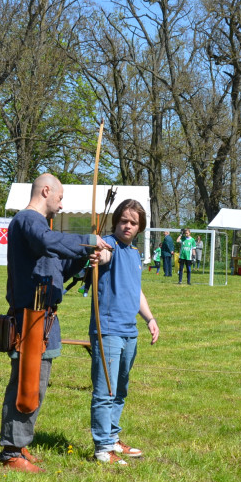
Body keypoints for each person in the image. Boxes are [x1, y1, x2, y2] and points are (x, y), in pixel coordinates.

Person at [0, 173, 109, 472]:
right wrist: (86, 239)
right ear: (46, 191)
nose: (61, 206)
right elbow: (46, 241)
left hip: (45, 317)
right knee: (27, 382)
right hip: (30, 316)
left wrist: (87, 256)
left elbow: (59, 266)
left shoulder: (40, 229)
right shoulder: (28, 220)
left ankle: (19, 445)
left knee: (38, 383)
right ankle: (11, 453)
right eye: (59, 199)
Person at [89, 199, 159, 465]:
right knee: (105, 390)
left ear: (139, 227)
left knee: (120, 389)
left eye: (133, 223)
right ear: (116, 221)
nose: (127, 226)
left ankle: (113, 438)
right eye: (123, 221)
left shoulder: (133, 253)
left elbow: (136, 290)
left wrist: (149, 318)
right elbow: (102, 255)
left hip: (130, 331)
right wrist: (98, 253)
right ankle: (102, 447)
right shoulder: (110, 245)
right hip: (108, 330)